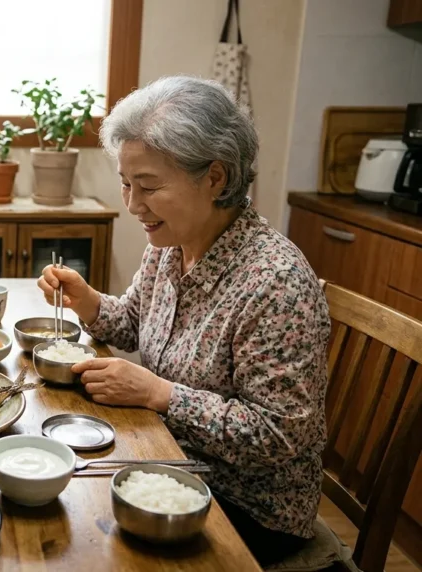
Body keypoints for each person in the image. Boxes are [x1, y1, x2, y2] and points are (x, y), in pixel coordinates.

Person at [38, 76, 329, 566]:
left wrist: (159, 393)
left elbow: (280, 435)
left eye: (149, 186)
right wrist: (86, 301)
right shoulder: (172, 245)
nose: (133, 205)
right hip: (170, 460)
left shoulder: (274, 282)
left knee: (78, 538)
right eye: (127, 185)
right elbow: (132, 323)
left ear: (215, 178)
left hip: (249, 508)